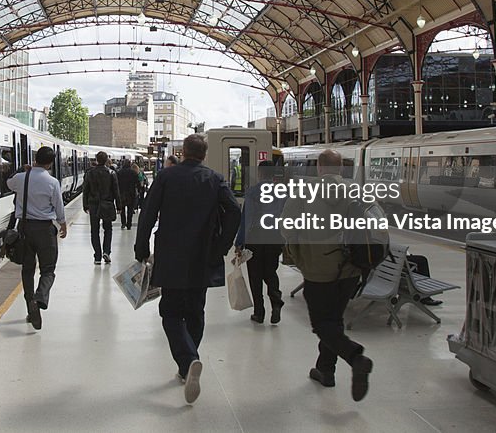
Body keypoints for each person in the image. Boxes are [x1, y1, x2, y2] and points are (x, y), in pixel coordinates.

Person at [135, 134, 240, 404]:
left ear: (182, 152)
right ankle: (188, 361)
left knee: (170, 311)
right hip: (203, 257)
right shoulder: (215, 179)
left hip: (171, 256)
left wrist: (141, 248)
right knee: (195, 310)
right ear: (204, 155)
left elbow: (147, 212)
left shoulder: (166, 177)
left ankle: (188, 360)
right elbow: (234, 213)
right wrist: (221, 246)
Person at [281, 149, 373, 401]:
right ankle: (325, 370)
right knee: (334, 318)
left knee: (322, 324)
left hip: (317, 268)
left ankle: (356, 357)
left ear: (319, 168)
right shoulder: (355, 190)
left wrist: (300, 256)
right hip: (350, 270)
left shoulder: (304, 192)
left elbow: (287, 228)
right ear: (341, 169)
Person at [7, 146, 67, 331]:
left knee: (27, 270)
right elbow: (58, 205)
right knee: (48, 269)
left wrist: (22, 170)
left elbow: (8, 183)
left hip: (24, 229)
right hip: (45, 230)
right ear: (50, 163)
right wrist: (63, 223)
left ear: (35, 159)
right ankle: (40, 296)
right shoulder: (52, 182)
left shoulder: (21, 178)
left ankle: (30, 304)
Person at [235, 161, 286, 324]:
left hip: (255, 236)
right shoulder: (282, 192)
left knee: (255, 275)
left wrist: (239, 242)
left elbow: (247, 218)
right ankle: (276, 302)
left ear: (259, 173)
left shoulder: (253, 192)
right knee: (271, 271)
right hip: (274, 236)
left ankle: (259, 312)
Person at [83, 151, 119, 264]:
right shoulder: (111, 173)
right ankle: (106, 251)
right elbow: (116, 191)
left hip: (94, 205)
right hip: (107, 204)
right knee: (108, 228)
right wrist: (119, 205)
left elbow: (86, 190)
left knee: (94, 230)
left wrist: (85, 205)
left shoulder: (89, 173)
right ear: (106, 160)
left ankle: (97, 256)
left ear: (96, 160)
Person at [117, 159, 139, 230]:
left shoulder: (119, 172)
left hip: (122, 193)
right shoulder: (133, 173)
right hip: (131, 193)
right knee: (130, 209)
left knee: (122, 209)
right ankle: (129, 224)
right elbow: (137, 183)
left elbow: (116, 184)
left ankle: (123, 223)